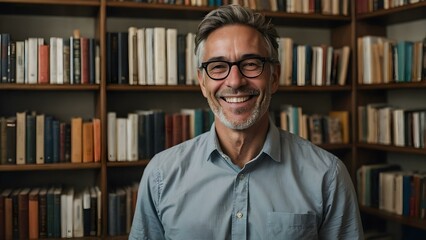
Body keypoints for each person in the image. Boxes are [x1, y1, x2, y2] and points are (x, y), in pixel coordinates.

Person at [130, 4, 363, 239]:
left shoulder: (327, 176)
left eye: (250, 64)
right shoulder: (161, 175)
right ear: (202, 82)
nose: (235, 81)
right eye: (218, 66)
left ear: (274, 77)